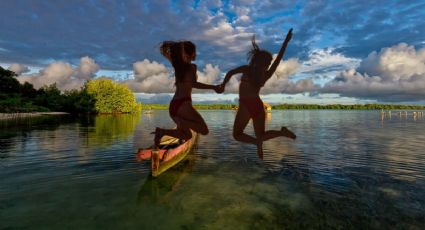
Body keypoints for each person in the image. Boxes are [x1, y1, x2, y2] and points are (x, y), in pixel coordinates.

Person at [219, 29, 296, 159]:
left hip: (246, 105)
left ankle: (257, 142)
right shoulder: (266, 74)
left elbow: (230, 72)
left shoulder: (247, 69)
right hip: (257, 105)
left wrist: (223, 85)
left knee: (237, 135)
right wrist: (286, 42)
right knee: (261, 135)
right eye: (268, 63)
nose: (269, 65)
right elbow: (279, 59)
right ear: (263, 63)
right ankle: (281, 133)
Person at [153, 41, 222, 146]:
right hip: (183, 104)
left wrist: (178, 47)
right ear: (192, 53)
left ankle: (162, 132)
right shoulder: (191, 67)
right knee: (204, 130)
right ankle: (181, 121)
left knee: (187, 135)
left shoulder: (177, 66)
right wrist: (213, 87)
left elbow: (166, 53)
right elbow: (193, 84)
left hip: (174, 106)